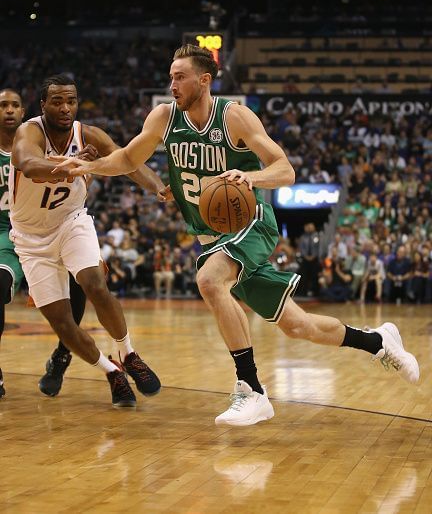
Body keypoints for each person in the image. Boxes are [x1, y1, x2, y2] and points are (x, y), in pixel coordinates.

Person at [54, 45, 420, 426]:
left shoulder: (234, 117)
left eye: (180, 76)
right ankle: (378, 342)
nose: (172, 84)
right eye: (170, 76)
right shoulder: (164, 117)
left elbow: (285, 170)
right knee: (298, 326)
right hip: (212, 238)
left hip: (251, 223)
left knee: (210, 281)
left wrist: (251, 178)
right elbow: (129, 158)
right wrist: (86, 167)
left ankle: (251, 389)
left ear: (204, 79)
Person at [9, 74, 166, 408]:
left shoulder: (90, 134)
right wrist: (72, 166)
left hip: (71, 221)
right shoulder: (30, 131)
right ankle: (111, 371)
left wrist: (160, 189)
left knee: (95, 283)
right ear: (43, 105)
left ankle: (129, 354)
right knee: (63, 324)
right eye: (57, 101)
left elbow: (129, 162)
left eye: (71, 101)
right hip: (30, 237)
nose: (66, 108)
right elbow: (27, 162)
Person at [0, 88, 88, 398]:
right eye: (2, 105)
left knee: (85, 280)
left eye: (14, 105)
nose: (9, 111)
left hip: (57, 223)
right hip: (13, 232)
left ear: (25, 112)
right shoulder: (28, 148)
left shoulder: (48, 138)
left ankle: (63, 352)